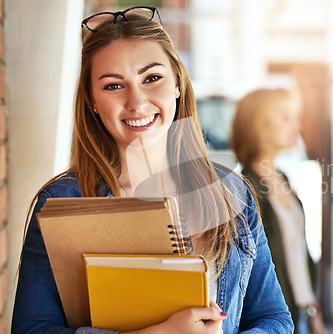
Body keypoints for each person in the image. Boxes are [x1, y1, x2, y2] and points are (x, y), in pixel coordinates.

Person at [12, 6, 293, 334]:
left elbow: (274, 319)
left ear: (177, 83)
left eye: (152, 78)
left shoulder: (232, 193)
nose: (137, 101)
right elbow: (32, 329)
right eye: (113, 86)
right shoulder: (61, 201)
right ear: (91, 101)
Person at [231, 88, 326, 334]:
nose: (297, 124)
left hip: (301, 314)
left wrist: (314, 310)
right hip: (273, 321)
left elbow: (298, 253)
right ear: (259, 126)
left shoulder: (283, 177)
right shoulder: (243, 189)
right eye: (286, 117)